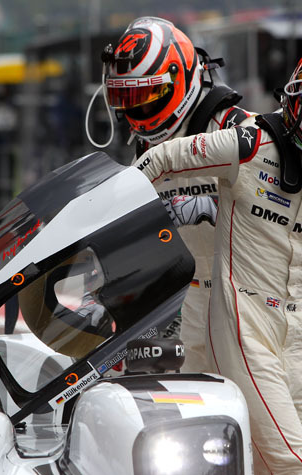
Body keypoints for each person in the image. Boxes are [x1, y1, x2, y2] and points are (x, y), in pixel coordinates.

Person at [133, 46, 302, 475]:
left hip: (297, 336)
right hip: (242, 323)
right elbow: (163, 158)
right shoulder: (248, 144)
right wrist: (124, 207)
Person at [100, 16, 253, 372]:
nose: (138, 110)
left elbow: (273, 209)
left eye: (147, 94)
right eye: (128, 97)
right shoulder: (142, 145)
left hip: (240, 302)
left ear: (179, 77)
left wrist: (208, 206)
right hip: (179, 300)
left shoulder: (235, 128)